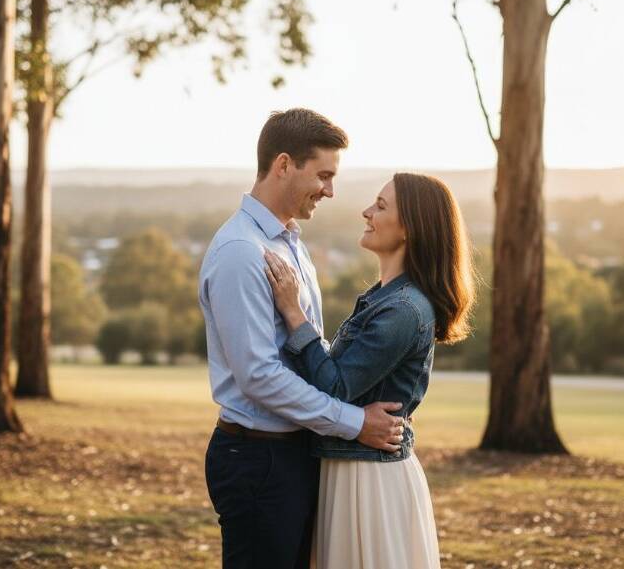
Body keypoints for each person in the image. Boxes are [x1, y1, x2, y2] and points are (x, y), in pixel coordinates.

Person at [198, 108, 406, 569]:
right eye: (324, 176)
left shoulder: (288, 242)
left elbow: (304, 348)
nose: (331, 191)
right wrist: (355, 422)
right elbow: (259, 377)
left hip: (293, 453)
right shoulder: (240, 254)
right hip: (258, 460)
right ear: (284, 164)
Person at [263, 172, 476, 569]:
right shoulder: (385, 298)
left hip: (368, 480)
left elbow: (335, 385)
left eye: (380, 206)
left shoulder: (403, 309)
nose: (367, 212)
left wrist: (293, 313)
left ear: (410, 228)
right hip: (350, 468)